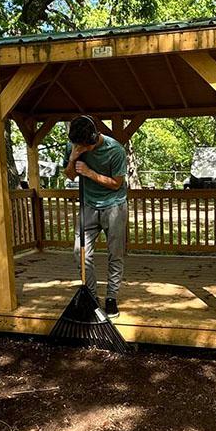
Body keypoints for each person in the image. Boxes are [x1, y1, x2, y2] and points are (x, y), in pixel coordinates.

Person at [62, 115, 128, 316]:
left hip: (114, 207)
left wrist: (90, 173)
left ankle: (111, 298)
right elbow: (70, 175)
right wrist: (73, 159)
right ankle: (91, 296)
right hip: (88, 206)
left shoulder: (115, 150)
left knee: (114, 254)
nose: (83, 149)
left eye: (85, 146)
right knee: (80, 253)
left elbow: (117, 183)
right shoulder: (74, 147)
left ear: (94, 136)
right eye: (78, 145)